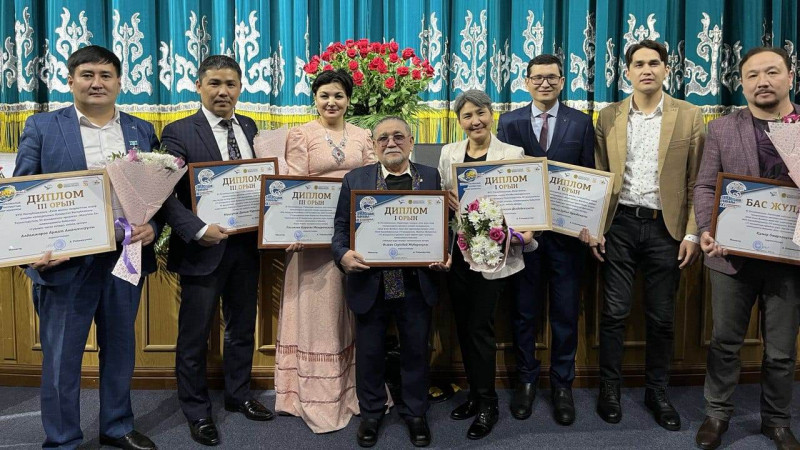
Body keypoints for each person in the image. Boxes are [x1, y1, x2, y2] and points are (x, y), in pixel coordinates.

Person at [14, 45, 159, 450]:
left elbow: (157, 195)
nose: (97, 83)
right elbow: (22, 195)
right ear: (70, 80)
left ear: (119, 82)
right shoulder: (43, 127)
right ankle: (62, 439)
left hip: (124, 257)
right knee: (62, 358)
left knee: (120, 350)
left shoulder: (141, 130)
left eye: (106, 75)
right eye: (88, 74)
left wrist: (152, 227)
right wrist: (32, 253)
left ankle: (117, 426)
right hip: (64, 263)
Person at [589, 39, 704, 431]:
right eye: (638, 64)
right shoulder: (608, 116)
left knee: (661, 318)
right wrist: (597, 227)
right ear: (627, 72)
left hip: (665, 228)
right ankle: (609, 390)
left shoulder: (689, 115)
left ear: (666, 69)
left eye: (654, 63)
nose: (647, 70)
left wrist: (692, 233)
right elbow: (599, 176)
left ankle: (657, 392)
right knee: (614, 313)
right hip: (619, 225)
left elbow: (696, 181)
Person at [159, 55, 272, 447]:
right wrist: (197, 229)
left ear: (240, 88)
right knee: (194, 336)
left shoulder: (249, 127)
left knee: (241, 328)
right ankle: (196, 411)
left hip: (246, 247)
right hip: (203, 249)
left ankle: (238, 395)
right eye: (214, 83)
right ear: (199, 86)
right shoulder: (178, 132)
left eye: (231, 84)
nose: (223, 91)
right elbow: (164, 194)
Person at [693, 46, 800, 450]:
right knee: (725, 342)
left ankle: (777, 421)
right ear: (742, 84)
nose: (762, 82)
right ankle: (717, 414)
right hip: (731, 257)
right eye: (753, 75)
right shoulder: (722, 129)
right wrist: (707, 228)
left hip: (790, 259)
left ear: (790, 77)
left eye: (771, 72)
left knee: (781, 351)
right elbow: (705, 185)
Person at [331, 117, 449, 448]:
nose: (391, 142)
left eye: (398, 136)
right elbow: (340, 228)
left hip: (415, 283)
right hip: (371, 282)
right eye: (383, 138)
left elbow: (445, 224)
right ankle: (371, 414)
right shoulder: (355, 179)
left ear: (411, 142)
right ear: (373, 145)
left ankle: (415, 413)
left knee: (416, 351)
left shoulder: (431, 176)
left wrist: (446, 253)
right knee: (370, 353)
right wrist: (342, 255)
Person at [496, 54, 595, 425]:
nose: (544, 83)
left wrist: (589, 222)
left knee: (565, 314)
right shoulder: (508, 122)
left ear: (562, 81)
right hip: (525, 237)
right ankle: (526, 381)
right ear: (526, 82)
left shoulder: (581, 122)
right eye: (537, 77)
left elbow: (589, 176)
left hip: (568, 238)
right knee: (524, 312)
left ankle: (562, 385)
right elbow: (502, 178)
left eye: (552, 77)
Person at [274, 69, 375, 433]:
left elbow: (371, 183)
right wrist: (292, 229)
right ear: (315, 99)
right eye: (324, 95)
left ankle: (355, 392)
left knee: (352, 312)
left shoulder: (363, 135)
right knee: (318, 314)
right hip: (311, 241)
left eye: (338, 95)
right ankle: (313, 395)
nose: (331, 102)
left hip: (352, 239)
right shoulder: (301, 134)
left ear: (349, 100)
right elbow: (294, 185)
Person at [439, 90, 536, 439]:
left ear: (491, 114)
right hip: (460, 255)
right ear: (459, 121)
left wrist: (521, 234)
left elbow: (525, 203)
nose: (475, 121)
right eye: (467, 116)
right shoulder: (449, 153)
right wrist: (447, 200)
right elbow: (443, 200)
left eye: (480, 113)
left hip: (495, 257)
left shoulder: (512, 154)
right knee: (465, 327)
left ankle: (488, 404)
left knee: (480, 327)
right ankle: (475, 395)